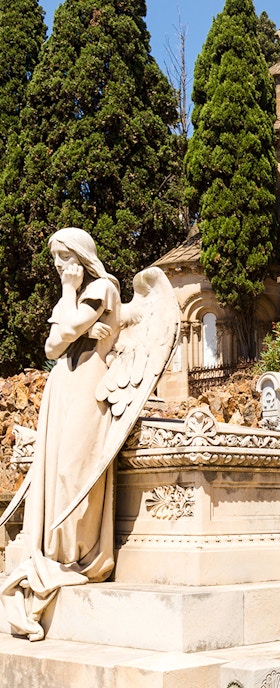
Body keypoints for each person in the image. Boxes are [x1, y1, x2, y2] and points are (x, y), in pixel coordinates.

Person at [0, 227, 121, 641]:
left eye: (63, 258)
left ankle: (73, 556)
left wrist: (72, 307)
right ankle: (54, 553)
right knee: (54, 476)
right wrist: (76, 319)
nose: (58, 267)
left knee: (73, 473)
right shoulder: (72, 297)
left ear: (81, 257)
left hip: (90, 388)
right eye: (55, 260)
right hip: (62, 389)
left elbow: (61, 336)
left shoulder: (103, 287)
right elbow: (53, 345)